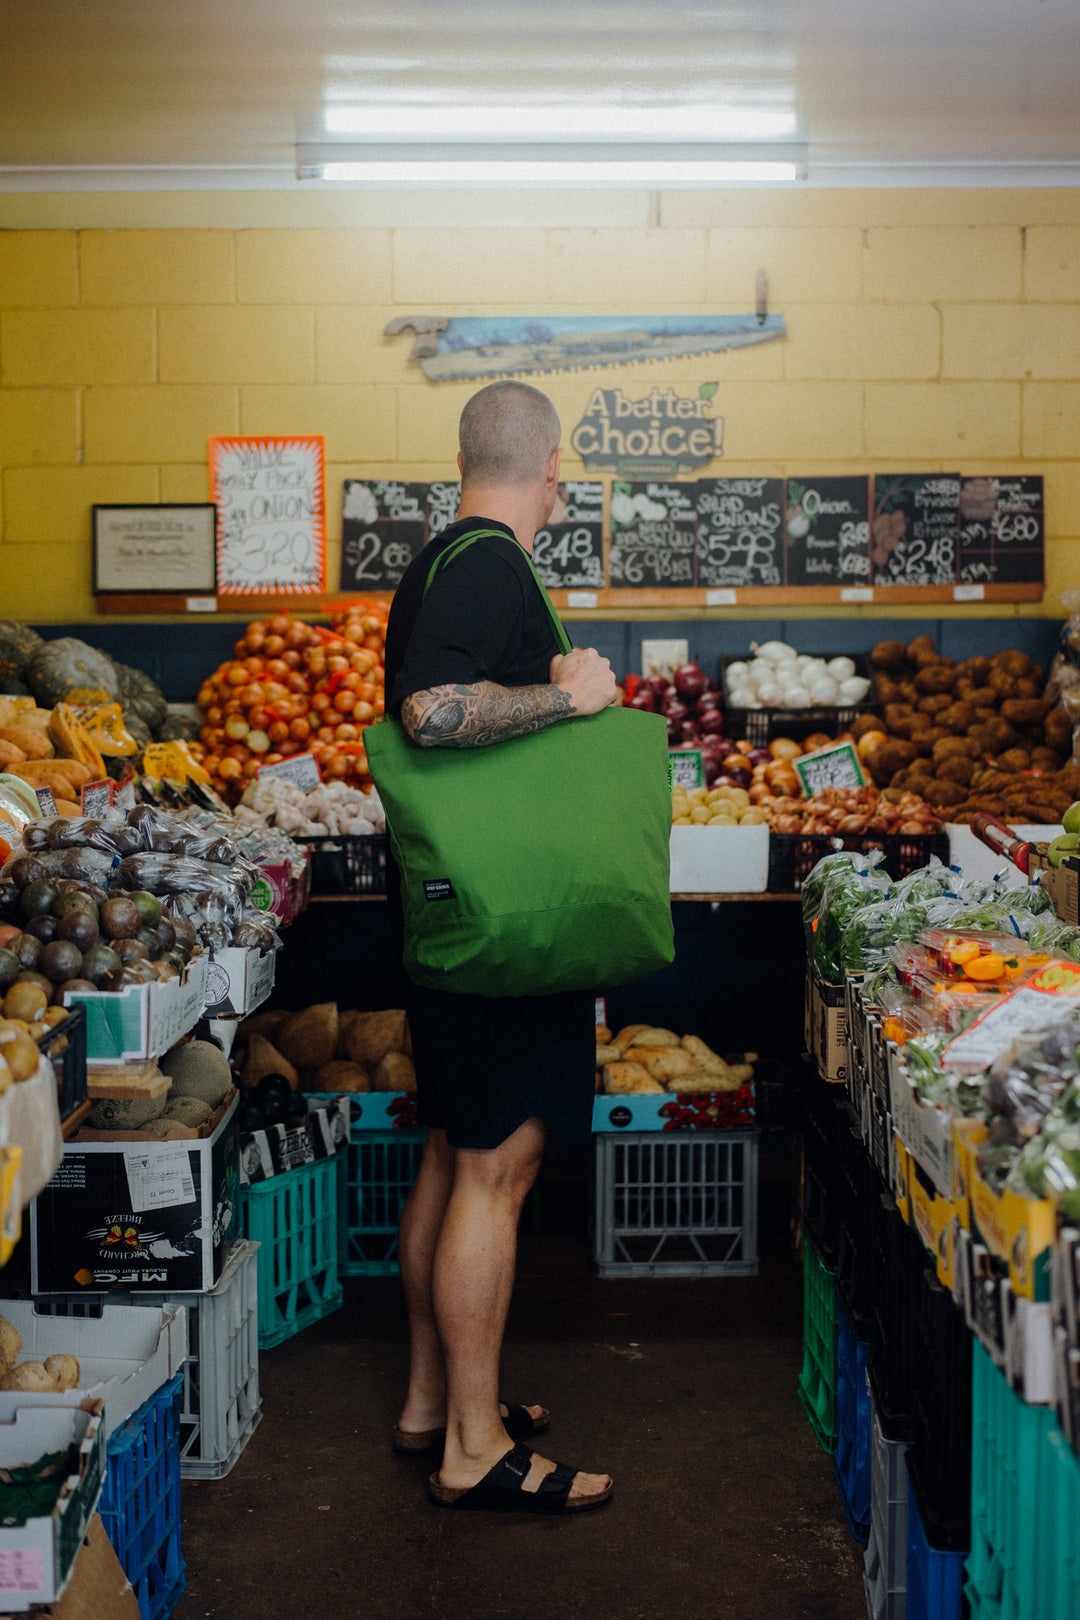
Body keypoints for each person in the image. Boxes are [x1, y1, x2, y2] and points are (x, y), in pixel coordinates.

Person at [381, 380, 616, 1514]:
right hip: (495, 927)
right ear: (552, 469)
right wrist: (567, 703)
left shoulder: (434, 558)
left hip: (448, 917)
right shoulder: (487, 563)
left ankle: (435, 1403)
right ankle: (474, 1447)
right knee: (496, 1169)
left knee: (448, 1151)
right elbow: (431, 711)